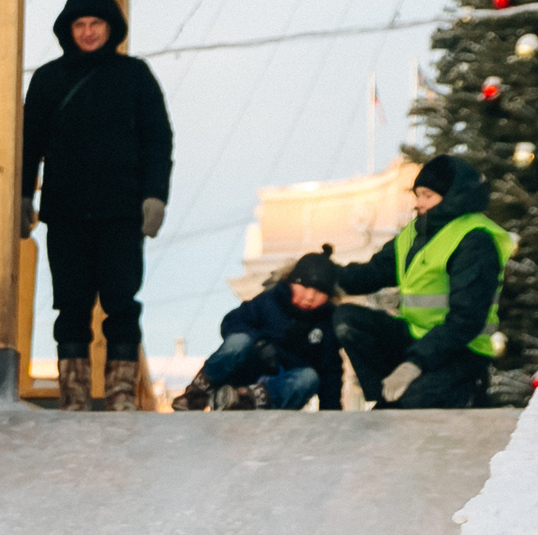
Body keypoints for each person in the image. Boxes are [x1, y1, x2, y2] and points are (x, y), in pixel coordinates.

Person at [23, 0, 173, 412]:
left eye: (96, 23)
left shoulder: (135, 76)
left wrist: (155, 196)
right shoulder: (48, 80)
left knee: (121, 304)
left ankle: (121, 395)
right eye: (80, 24)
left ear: (111, 28)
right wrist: (22, 196)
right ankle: (73, 396)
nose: (88, 32)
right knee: (70, 306)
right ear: (68, 30)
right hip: (66, 213)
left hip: (121, 213)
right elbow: (29, 144)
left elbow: (158, 140)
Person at [332, 156, 513, 409]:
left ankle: (449, 392)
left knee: (410, 408)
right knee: (347, 320)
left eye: (427, 196)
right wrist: (325, 275)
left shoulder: (474, 240)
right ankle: (385, 395)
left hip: (461, 352)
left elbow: (466, 320)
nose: (419, 204)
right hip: (415, 338)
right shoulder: (414, 234)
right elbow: (373, 273)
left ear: (452, 195)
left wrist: (414, 364)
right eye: (417, 195)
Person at [173, 248, 345, 412]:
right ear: (291, 282)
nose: (310, 297)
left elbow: (330, 371)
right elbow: (232, 322)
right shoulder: (270, 302)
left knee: (309, 377)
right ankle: (198, 393)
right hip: (247, 369)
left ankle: (244, 400)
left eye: (319, 292)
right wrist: (259, 343)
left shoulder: (325, 325)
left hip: (278, 387)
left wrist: (331, 415)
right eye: (305, 287)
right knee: (238, 341)